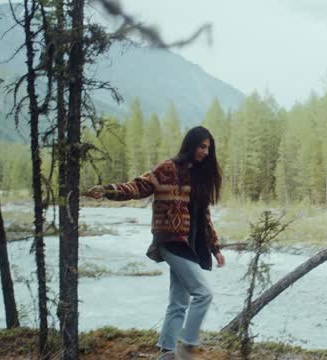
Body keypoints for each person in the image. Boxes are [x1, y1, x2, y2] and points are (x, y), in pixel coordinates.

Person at [85, 126, 225, 360]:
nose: (206, 152)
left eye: (209, 148)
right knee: (203, 293)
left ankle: (167, 353)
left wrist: (215, 248)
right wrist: (108, 190)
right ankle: (187, 348)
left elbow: (205, 217)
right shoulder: (168, 168)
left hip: (190, 246)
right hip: (170, 240)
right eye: (202, 146)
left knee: (179, 302)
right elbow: (138, 186)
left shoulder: (199, 177)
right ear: (190, 145)